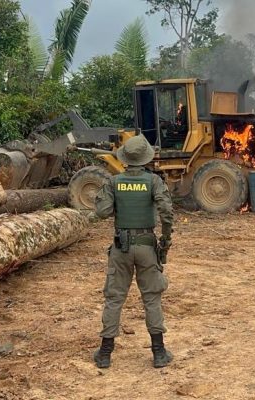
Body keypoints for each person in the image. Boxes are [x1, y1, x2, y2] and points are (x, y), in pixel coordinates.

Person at [92, 135, 174, 369]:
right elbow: (167, 212)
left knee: (114, 298)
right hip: (147, 246)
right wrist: (165, 239)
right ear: (146, 158)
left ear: (125, 158)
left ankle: (105, 353)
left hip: (121, 248)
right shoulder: (154, 181)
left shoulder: (114, 182)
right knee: (152, 298)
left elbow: (102, 211)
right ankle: (159, 352)